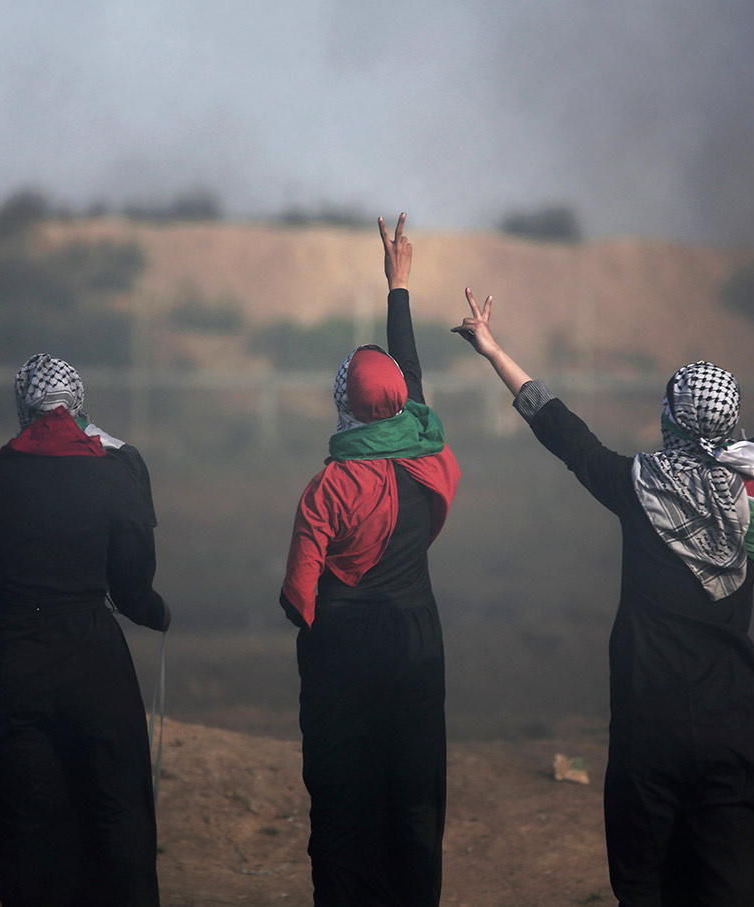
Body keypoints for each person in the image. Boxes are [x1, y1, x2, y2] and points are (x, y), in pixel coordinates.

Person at [452, 279, 754, 905]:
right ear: (729, 421)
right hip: (732, 722)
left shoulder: (632, 483)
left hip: (649, 725)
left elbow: (560, 428)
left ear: (671, 417)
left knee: (650, 879)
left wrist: (491, 348)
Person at [279, 214, 461, 906]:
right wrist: (399, 285)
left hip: (345, 653)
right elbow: (409, 376)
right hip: (418, 638)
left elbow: (301, 599)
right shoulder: (426, 449)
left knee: (343, 801)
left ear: (343, 406)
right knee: (415, 793)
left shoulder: (329, 487)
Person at [0, 353, 170, 907]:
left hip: (13, 660)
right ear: (77, 407)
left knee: (21, 815)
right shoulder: (113, 476)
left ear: (22, 409)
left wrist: (22, 610)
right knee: (114, 804)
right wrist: (151, 611)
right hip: (94, 655)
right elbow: (131, 586)